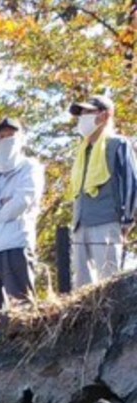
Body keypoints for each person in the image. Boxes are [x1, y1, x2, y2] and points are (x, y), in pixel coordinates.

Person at [0, 117, 44, 310]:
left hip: (17, 243)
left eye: (11, 135)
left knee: (22, 306)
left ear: (21, 139)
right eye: (1, 136)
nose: (6, 140)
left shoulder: (30, 167)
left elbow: (21, 203)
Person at [67, 94, 137, 288]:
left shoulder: (118, 144)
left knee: (109, 285)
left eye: (88, 112)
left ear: (105, 115)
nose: (83, 117)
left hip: (107, 222)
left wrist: (126, 221)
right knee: (81, 288)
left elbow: (131, 184)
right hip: (80, 224)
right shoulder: (82, 151)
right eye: (80, 113)